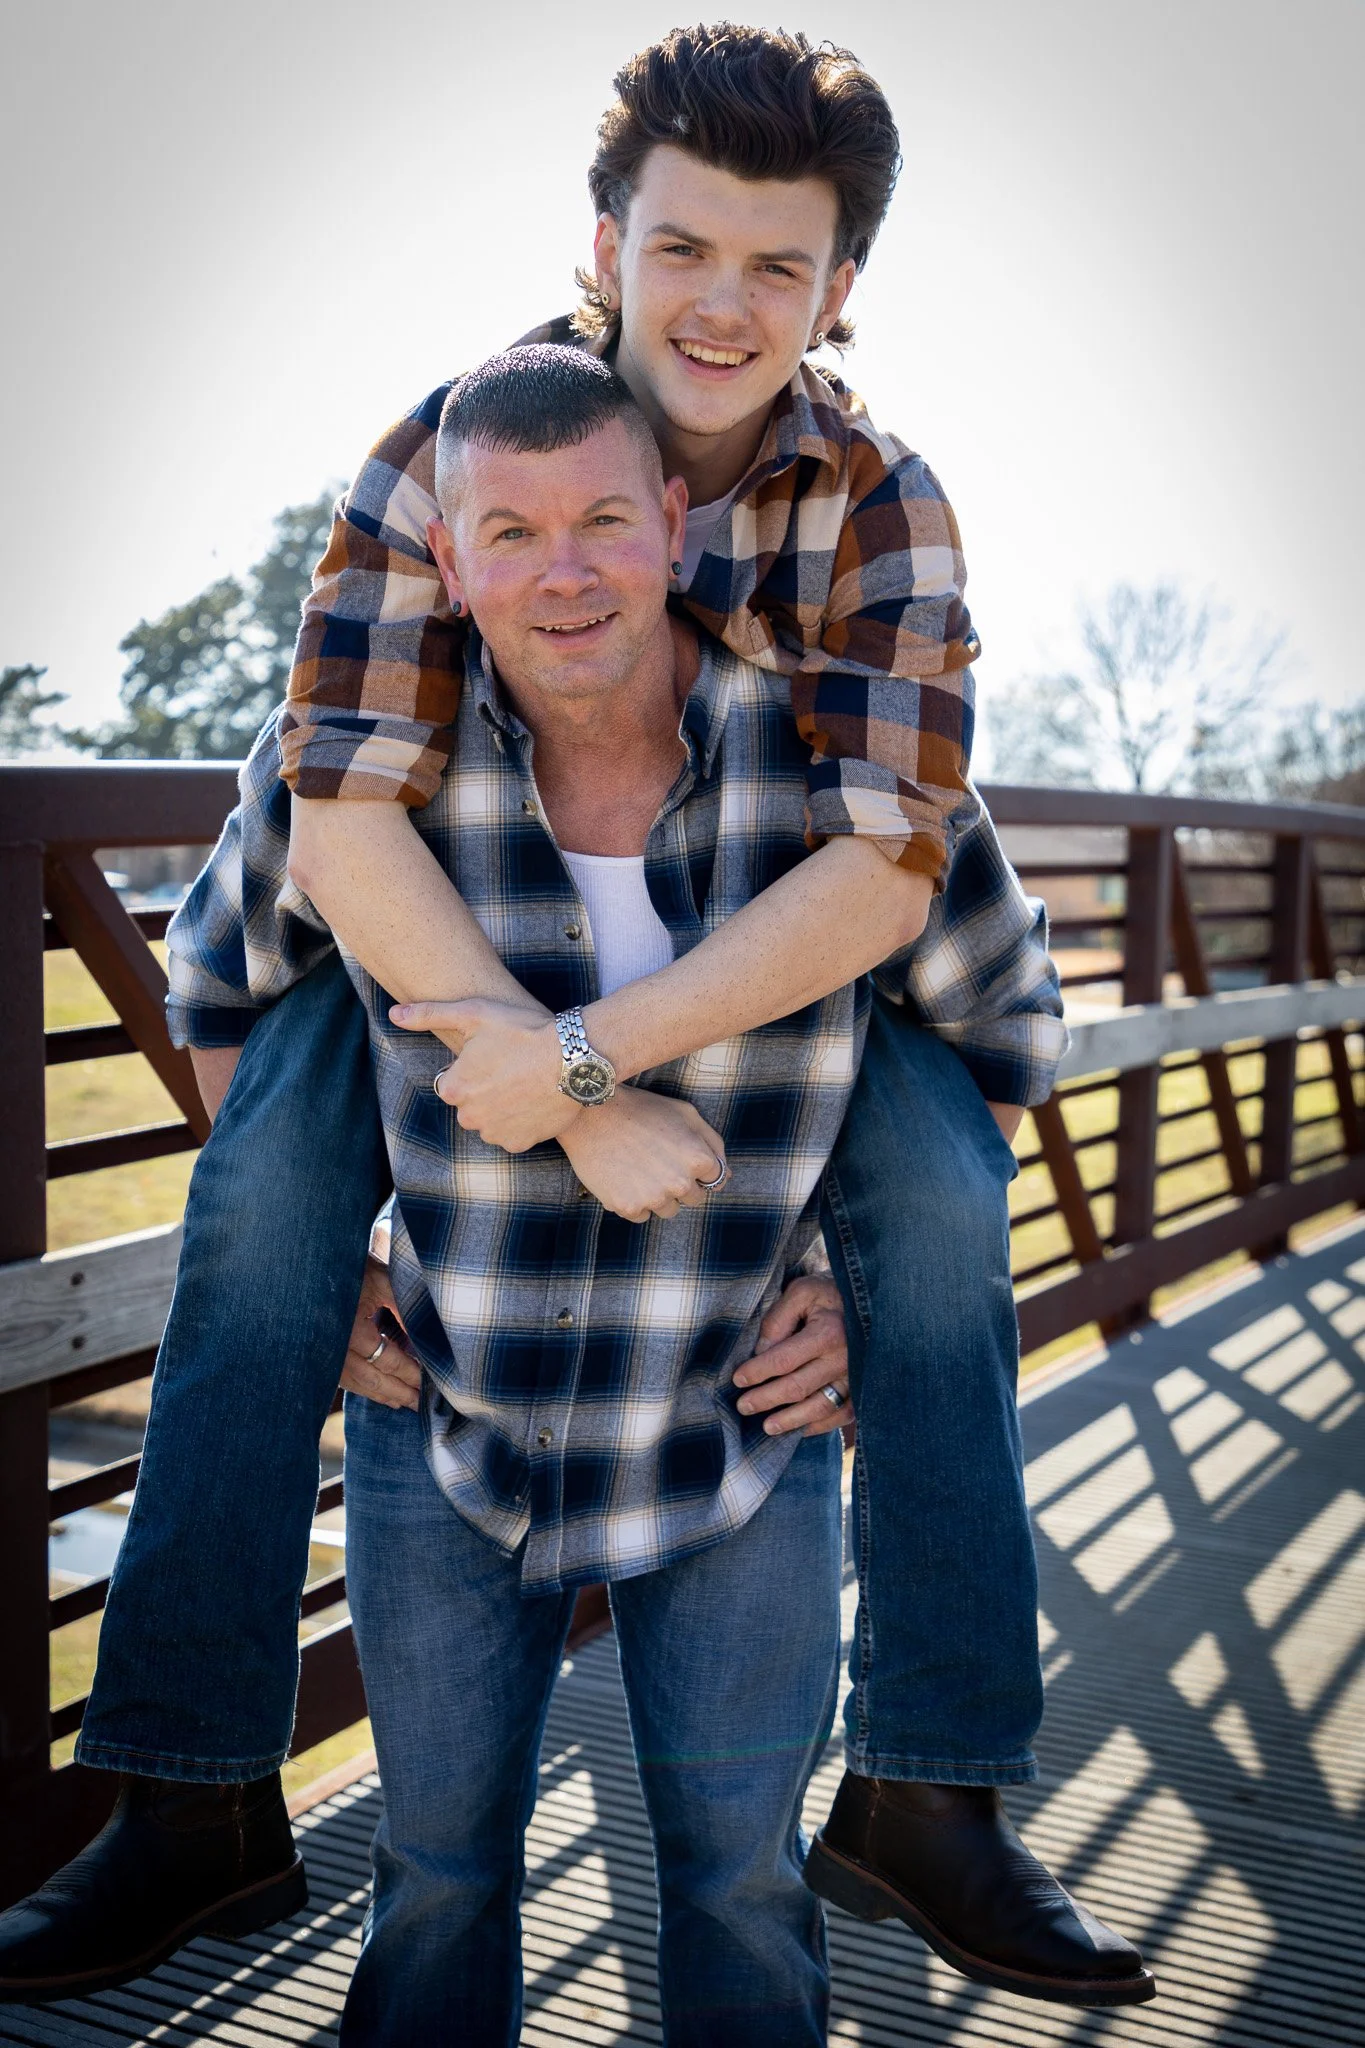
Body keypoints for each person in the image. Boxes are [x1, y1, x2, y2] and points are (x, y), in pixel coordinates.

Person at [0, 26, 1153, 2015]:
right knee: (269, 1156)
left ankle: (932, 1778)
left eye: (776, 268)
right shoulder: (452, 448)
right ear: (603, 244)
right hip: (459, 941)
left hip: (796, 963)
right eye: (682, 247)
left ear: (838, 291)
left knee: (945, 1192)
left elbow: (894, 868)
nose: (721, 305)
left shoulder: (882, 501)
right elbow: (334, 817)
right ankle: (188, 1786)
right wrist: (515, 1094)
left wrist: (599, 1068)